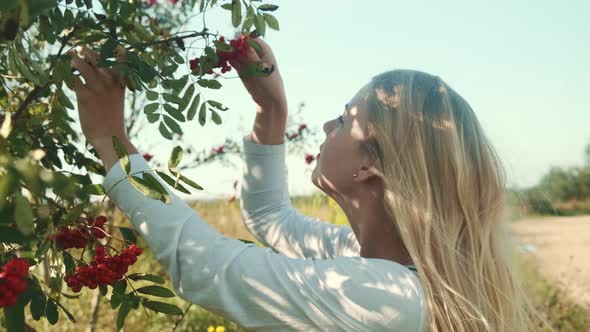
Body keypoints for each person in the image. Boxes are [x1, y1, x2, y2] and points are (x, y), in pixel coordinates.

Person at [70, 34, 539, 331]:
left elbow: (207, 268)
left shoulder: (386, 298)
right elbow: (270, 218)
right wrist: (271, 112)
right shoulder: (377, 265)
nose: (327, 129)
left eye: (343, 119)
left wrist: (111, 142)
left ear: (368, 165)